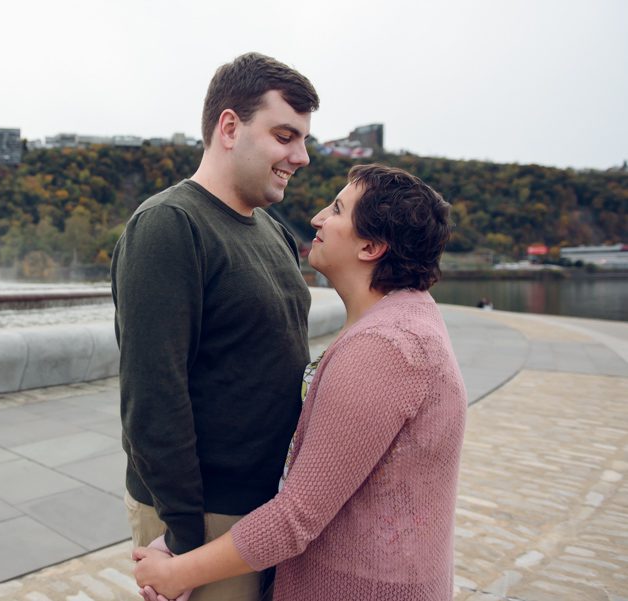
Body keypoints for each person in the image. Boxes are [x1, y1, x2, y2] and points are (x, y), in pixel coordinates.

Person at [133, 164, 468, 601]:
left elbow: (296, 518)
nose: (317, 218)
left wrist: (179, 571)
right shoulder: (408, 319)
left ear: (370, 246)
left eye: (337, 209)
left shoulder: (385, 349)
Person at [110, 52, 319, 601]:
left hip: (267, 509)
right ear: (230, 127)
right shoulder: (169, 225)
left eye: (303, 140)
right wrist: (182, 541)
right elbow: (153, 397)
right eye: (284, 135)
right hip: (206, 516)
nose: (300, 156)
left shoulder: (273, 232)